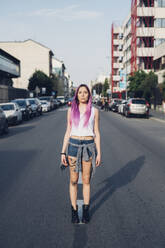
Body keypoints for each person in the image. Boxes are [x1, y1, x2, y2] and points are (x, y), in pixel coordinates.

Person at [61, 84, 101, 224]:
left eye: (85, 92)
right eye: (80, 92)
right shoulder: (71, 110)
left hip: (89, 147)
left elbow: (96, 132)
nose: (83, 95)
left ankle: (85, 211)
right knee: (73, 180)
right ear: (76, 95)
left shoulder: (94, 111)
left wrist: (99, 153)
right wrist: (62, 152)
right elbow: (68, 131)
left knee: (86, 181)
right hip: (73, 146)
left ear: (89, 95)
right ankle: (73, 210)